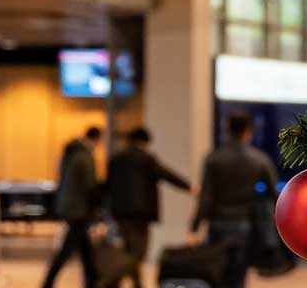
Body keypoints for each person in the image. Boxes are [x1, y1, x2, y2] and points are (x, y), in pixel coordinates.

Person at [191, 113, 279, 288]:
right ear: (248, 131)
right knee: (239, 273)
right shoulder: (259, 159)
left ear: (227, 129)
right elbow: (274, 193)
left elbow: (206, 196)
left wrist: (194, 226)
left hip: (217, 224)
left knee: (218, 271)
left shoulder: (214, 158)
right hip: (244, 224)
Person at [105, 127, 190, 288]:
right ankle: (109, 280)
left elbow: (107, 186)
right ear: (144, 142)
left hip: (120, 212)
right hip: (141, 213)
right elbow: (167, 175)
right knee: (139, 253)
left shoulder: (116, 159)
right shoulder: (146, 158)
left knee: (130, 250)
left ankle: (137, 284)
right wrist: (188, 186)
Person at [41, 126, 104, 288]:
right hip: (78, 209)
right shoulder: (84, 156)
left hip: (68, 206)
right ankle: (48, 283)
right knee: (67, 250)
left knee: (85, 249)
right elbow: (89, 184)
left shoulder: (71, 153)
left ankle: (92, 282)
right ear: (97, 138)